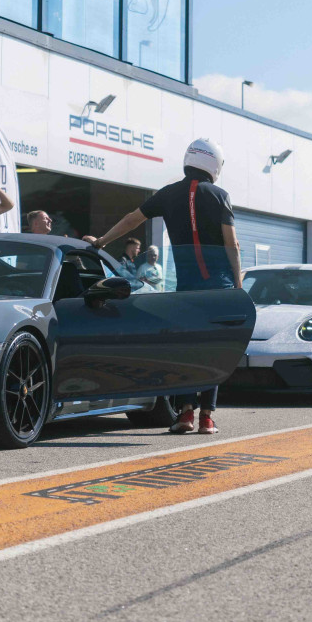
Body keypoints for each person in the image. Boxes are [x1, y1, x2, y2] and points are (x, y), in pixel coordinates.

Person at [85, 138, 241, 436]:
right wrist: (237, 283)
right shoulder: (220, 195)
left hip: (187, 286)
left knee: (187, 348)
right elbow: (231, 244)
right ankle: (207, 418)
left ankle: (185, 413)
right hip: (218, 287)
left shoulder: (168, 194)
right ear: (215, 164)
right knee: (213, 349)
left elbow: (131, 220)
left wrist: (101, 241)